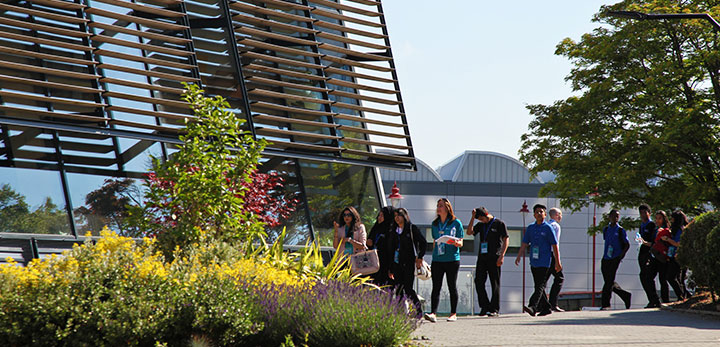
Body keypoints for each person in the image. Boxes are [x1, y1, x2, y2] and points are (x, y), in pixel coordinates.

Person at [515, 204, 562, 316]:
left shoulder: (548, 228)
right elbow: (525, 243)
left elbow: (555, 245)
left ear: (545, 214)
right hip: (534, 261)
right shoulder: (531, 228)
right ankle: (546, 308)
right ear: (534, 215)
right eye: (537, 212)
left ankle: (533, 307)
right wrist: (519, 255)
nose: (539, 214)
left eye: (541, 212)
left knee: (540, 285)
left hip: (545, 261)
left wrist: (557, 261)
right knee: (538, 285)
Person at [424, 198, 464, 323]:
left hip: (452, 259)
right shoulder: (435, 224)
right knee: (436, 286)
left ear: (447, 208)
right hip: (437, 259)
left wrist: (457, 243)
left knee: (452, 286)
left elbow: (461, 242)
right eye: (437, 205)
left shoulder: (456, 223)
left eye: (441, 206)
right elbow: (435, 240)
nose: (438, 208)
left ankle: (453, 313)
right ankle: (433, 313)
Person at [467, 206, 508, 317]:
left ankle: (494, 309)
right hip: (482, 257)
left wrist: (502, 256)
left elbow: (506, 239)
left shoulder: (499, 223)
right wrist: (472, 218)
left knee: (494, 283)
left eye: (481, 219)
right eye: (479, 220)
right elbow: (469, 232)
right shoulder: (481, 225)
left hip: (495, 257)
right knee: (479, 282)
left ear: (486, 215)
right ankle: (484, 306)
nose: (481, 221)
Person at [387, 208, 426, 317]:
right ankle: (400, 313)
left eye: (399, 215)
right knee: (398, 288)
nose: (397, 218)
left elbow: (422, 242)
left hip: (408, 262)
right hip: (396, 262)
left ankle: (418, 310)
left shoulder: (411, 229)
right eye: (395, 216)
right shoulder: (393, 230)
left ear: (404, 216)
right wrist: (390, 267)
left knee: (408, 288)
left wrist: (420, 257)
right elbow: (390, 249)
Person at [600, 209, 632, 310]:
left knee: (608, 282)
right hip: (606, 257)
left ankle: (605, 304)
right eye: (614, 216)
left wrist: (621, 256)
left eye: (617, 216)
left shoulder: (620, 230)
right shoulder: (606, 229)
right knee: (609, 281)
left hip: (615, 258)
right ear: (609, 217)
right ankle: (625, 295)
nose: (616, 218)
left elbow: (627, 244)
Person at [637, 204, 660, 308]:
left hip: (649, 253)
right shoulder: (642, 225)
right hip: (642, 252)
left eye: (644, 212)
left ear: (649, 213)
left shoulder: (651, 225)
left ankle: (654, 299)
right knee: (642, 277)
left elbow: (653, 241)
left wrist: (645, 242)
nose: (642, 215)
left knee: (648, 277)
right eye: (641, 213)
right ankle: (651, 299)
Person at [367, 206, 394, 285]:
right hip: (373, 261)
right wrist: (369, 243)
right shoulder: (376, 228)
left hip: (384, 263)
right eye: (379, 215)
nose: (379, 218)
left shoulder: (390, 230)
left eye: (382, 216)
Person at [547, 207, 565, 312]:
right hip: (552, 254)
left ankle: (535, 303)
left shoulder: (546, 225)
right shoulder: (556, 226)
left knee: (543, 280)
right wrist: (558, 260)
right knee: (559, 278)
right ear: (556, 215)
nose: (561, 217)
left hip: (545, 255)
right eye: (560, 214)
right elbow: (555, 244)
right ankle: (553, 303)